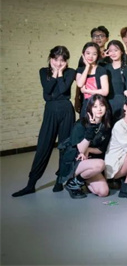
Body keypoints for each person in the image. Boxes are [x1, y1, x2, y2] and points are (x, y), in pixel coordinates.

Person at [13, 46, 77, 197]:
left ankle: (59, 181)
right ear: (50, 58)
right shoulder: (43, 71)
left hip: (66, 111)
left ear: (66, 61)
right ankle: (31, 184)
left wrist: (60, 73)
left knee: (65, 146)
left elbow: (63, 89)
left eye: (62, 60)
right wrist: (55, 73)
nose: (58, 63)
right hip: (50, 111)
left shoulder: (70, 72)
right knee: (43, 145)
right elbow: (47, 90)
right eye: (55, 59)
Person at [58, 94, 111, 199]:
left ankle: (80, 180)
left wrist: (89, 150)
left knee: (103, 192)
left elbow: (101, 149)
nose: (99, 109)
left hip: (89, 161)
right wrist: (90, 129)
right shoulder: (81, 124)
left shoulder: (105, 126)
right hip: (74, 161)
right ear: (90, 109)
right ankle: (72, 183)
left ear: (106, 107)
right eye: (95, 106)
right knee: (100, 164)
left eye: (101, 105)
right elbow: (81, 149)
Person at [76, 42, 109, 118]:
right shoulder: (80, 70)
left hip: (100, 105)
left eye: (94, 54)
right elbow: (80, 84)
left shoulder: (101, 70)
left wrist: (87, 91)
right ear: (83, 54)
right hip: (86, 104)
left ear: (97, 56)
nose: (91, 56)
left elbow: (105, 91)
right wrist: (87, 67)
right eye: (88, 53)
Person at [104, 40, 127, 121]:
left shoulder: (126, 69)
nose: (113, 53)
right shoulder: (105, 68)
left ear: (121, 52)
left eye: (116, 50)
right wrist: (102, 57)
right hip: (106, 102)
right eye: (110, 51)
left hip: (120, 103)